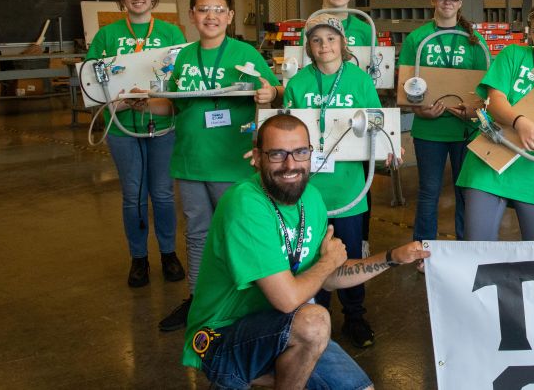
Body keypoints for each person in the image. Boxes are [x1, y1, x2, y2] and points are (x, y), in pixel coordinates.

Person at [182, 113, 428, 389]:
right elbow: (289, 300)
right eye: (277, 154)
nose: (290, 165)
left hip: (282, 328)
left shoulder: (310, 198)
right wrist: (328, 262)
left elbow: (328, 276)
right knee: (315, 321)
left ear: (311, 153)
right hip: (220, 337)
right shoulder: (245, 204)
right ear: (257, 156)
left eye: (300, 152)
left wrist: (392, 258)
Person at [158, 0, 281, 332]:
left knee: (237, 232)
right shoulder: (181, 56)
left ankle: (243, 302)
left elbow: (274, 90)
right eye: (203, 9)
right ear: (192, 15)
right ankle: (198, 299)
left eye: (218, 10)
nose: (210, 16)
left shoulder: (245, 55)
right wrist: (141, 101)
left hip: (233, 164)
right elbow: (171, 106)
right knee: (197, 234)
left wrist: (267, 92)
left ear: (230, 16)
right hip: (191, 162)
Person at [282, 14, 388, 348]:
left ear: (343, 43)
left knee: (350, 255)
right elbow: (285, 130)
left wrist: (389, 143)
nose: (324, 46)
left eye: (330, 39)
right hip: (307, 190)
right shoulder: (298, 84)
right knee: (310, 256)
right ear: (308, 48)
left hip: (348, 189)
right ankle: (318, 316)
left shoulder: (359, 80)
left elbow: (377, 123)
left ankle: (355, 316)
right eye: (316, 40)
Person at [86, 0, 187, 288]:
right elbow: (91, 80)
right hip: (121, 128)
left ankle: (169, 254)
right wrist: (120, 102)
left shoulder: (171, 33)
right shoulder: (107, 35)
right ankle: (138, 258)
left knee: (162, 194)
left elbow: (181, 77)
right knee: (133, 196)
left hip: (162, 125)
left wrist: (155, 100)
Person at [456, 0, 534, 241]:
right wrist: (520, 122)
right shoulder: (513, 54)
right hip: (490, 160)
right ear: (530, 34)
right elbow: (496, 100)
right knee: (477, 248)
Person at [398, 0, 489, 244]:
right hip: (429, 129)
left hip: (466, 129)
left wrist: (472, 111)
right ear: (433, 0)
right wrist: (419, 111)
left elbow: (486, 87)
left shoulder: (475, 40)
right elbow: (405, 86)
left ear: (460, 2)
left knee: (466, 191)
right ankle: (424, 248)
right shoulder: (417, 39)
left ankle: (465, 245)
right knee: (429, 191)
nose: (447, 2)